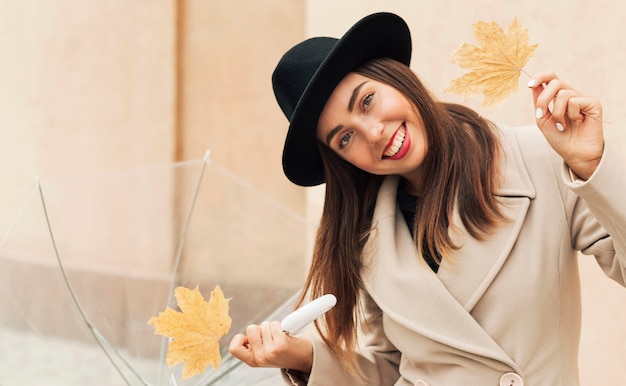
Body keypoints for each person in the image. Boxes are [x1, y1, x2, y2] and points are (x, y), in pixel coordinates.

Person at [228, 12, 625, 386]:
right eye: (345, 138)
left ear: (395, 78)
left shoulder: (537, 160)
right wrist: (305, 357)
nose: (373, 133)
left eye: (366, 101)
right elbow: (389, 369)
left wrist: (593, 166)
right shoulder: (366, 240)